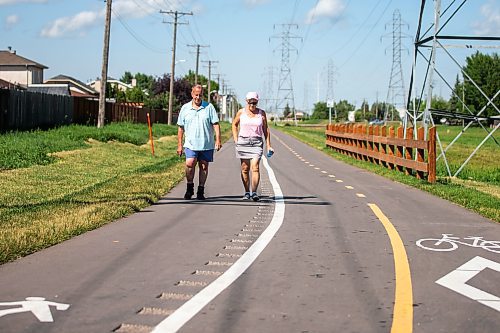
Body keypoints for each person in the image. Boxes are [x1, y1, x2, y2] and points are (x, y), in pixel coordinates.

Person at [177, 84, 222, 200]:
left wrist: (218, 140)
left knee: (204, 166)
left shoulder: (209, 107)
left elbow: (216, 125)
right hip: (190, 143)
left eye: (200, 95)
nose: (198, 97)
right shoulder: (185, 108)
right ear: (192, 94)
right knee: (190, 163)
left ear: (202, 95)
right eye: (196, 95)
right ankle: (189, 187)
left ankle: (200, 190)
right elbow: (181, 128)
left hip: (206, 143)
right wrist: (179, 145)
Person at [232, 91, 273, 201]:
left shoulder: (261, 113)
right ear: (246, 101)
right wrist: (236, 139)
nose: (252, 105)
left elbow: (266, 130)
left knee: (255, 167)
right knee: (245, 168)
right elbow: (234, 124)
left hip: (257, 142)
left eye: (254, 102)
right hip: (243, 142)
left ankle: (254, 192)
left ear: (257, 102)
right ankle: (246, 192)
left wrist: (269, 145)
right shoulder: (241, 112)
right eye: (250, 102)